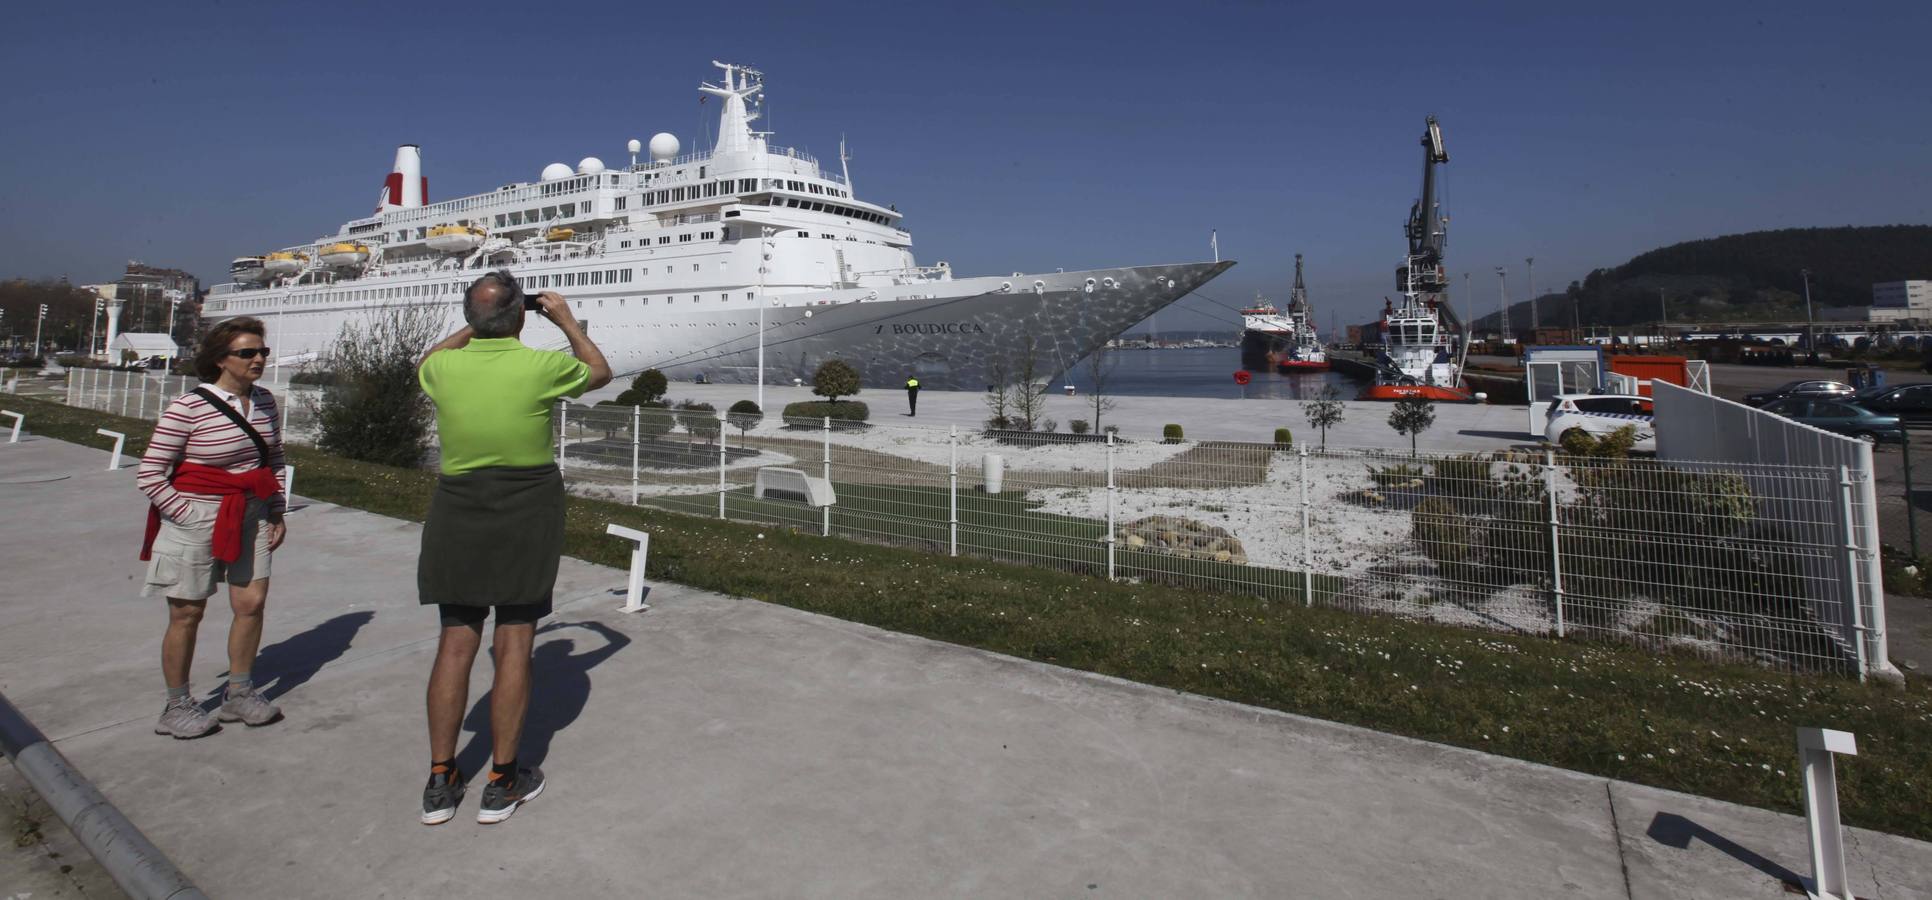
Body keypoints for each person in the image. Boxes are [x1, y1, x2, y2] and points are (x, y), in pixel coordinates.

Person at [416, 270, 611, 826]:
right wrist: (567, 320)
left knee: (455, 640)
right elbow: (599, 372)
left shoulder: (443, 368)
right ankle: (503, 780)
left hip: (457, 506)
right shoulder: (541, 366)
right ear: (521, 316)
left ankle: (440, 779)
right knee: (515, 641)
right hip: (526, 506)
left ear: (473, 318)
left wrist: (472, 326)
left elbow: (427, 360)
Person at [136, 316, 288, 739]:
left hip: (252, 513)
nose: (258, 359)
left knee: (252, 602)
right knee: (188, 611)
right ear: (221, 359)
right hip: (197, 514)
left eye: (262, 352)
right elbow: (150, 472)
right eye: (247, 353)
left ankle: (238, 693)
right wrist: (184, 514)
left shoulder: (265, 402)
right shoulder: (188, 407)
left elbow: (272, 460)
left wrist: (276, 510)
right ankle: (177, 704)